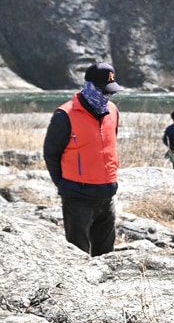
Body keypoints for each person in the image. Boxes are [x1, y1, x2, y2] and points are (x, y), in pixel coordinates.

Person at [42, 63, 122, 256]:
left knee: (106, 256)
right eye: (103, 91)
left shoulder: (113, 110)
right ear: (89, 86)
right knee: (77, 256)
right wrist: (64, 185)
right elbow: (51, 153)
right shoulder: (64, 115)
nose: (107, 95)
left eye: (110, 91)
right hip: (78, 198)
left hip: (107, 195)